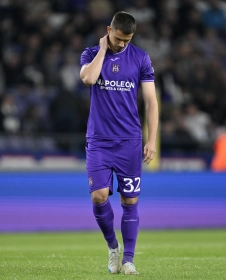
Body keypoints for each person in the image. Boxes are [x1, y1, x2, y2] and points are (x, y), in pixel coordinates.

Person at [79, 11, 158, 275]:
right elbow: (88, 79)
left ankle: (129, 260)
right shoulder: (91, 54)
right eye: (119, 38)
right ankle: (113, 247)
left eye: (128, 39)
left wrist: (152, 139)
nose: (122, 44)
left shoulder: (141, 58)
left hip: (129, 142)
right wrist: (103, 50)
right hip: (99, 140)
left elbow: (150, 101)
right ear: (108, 30)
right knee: (99, 195)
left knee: (130, 202)